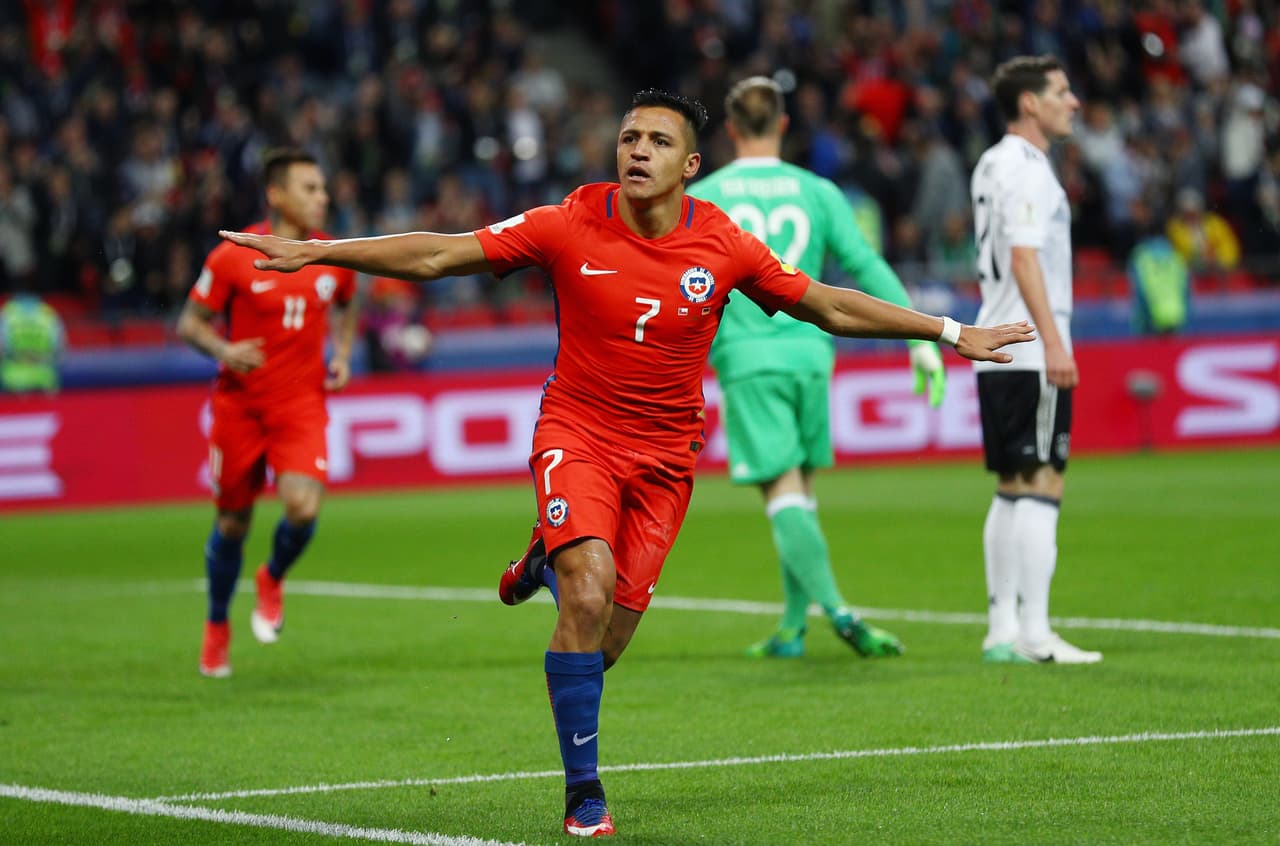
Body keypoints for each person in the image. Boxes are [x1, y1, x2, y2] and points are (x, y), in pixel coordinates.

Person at [221, 90, 1032, 838]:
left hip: (666, 461)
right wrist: (324, 252)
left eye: (657, 141)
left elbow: (824, 302)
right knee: (588, 587)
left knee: (602, 643)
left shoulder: (722, 243)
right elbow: (441, 256)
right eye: (627, 137)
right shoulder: (569, 222)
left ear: (690, 165)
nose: (636, 150)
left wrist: (951, 333)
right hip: (577, 433)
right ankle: (584, 793)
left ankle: (545, 553)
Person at [685, 75, 945, 660]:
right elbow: (867, 266)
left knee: (781, 493)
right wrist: (919, 339)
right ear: (781, 124)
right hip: (810, 356)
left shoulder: (706, 197)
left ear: (729, 130)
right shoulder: (819, 190)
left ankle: (841, 615)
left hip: (748, 359)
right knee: (800, 492)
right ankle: (792, 627)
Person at [176, 148, 358, 679]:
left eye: (323, 188)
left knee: (302, 509)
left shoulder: (334, 254)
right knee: (232, 522)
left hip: (301, 405)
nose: (323, 197)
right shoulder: (234, 254)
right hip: (240, 406)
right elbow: (190, 322)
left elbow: (348, 300)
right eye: (310, 188)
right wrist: (223, 350)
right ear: (276, 195)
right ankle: (216, 625)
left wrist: (343, 353)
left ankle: (272, 576)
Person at [970, 56, 1102, 665]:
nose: (1072, 101)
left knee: (1010, 485)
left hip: (994, 345)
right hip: (1028, 348)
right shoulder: (1029, 171)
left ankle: (1002, 628)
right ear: (1030, 103)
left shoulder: (991, 163)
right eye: (1061, 91)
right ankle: (1036, 634)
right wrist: (1054, 343)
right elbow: (1024, 259)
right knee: (1044, 478)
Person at [0, 286, 65, 394]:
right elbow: (60, 352)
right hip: (44, 381)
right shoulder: (49, 314)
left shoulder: (7, 313)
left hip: (11, 382)